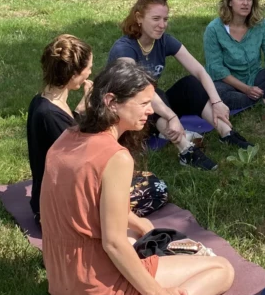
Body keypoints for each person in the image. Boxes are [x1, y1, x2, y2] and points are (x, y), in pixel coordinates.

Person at [40, 60, 234, 295]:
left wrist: (141, 224)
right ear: (111, 102)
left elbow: (84, 207)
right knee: (222, 269)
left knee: (137, 235)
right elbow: (113, 243)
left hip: (62, 283)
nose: (151, 111)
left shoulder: (66, 138)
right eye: (144, 103)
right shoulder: (115, 157)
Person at [27, 34, 166, 230]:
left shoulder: (41, 101)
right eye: (89, 68)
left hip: (49, 198)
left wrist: (82, 107)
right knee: (157, 188)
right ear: (74, 74)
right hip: (58, 209)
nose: (90, 72)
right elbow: (81, 161)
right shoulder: (49, 115)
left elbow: (69, 132)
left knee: (144, 177)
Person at [108, 0, 252, 172]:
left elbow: (199, 70)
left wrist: (217, 102)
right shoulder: (124, 49)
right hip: (127, 115)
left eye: (165, 19)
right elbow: (140, 90)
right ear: (139, 18)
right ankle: (186, 150)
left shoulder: (163, 41)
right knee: (152, 92)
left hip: (152, 109)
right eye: (156, 19)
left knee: (190, 84)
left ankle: (226, 132)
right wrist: (172, 117)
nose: (162, 25)